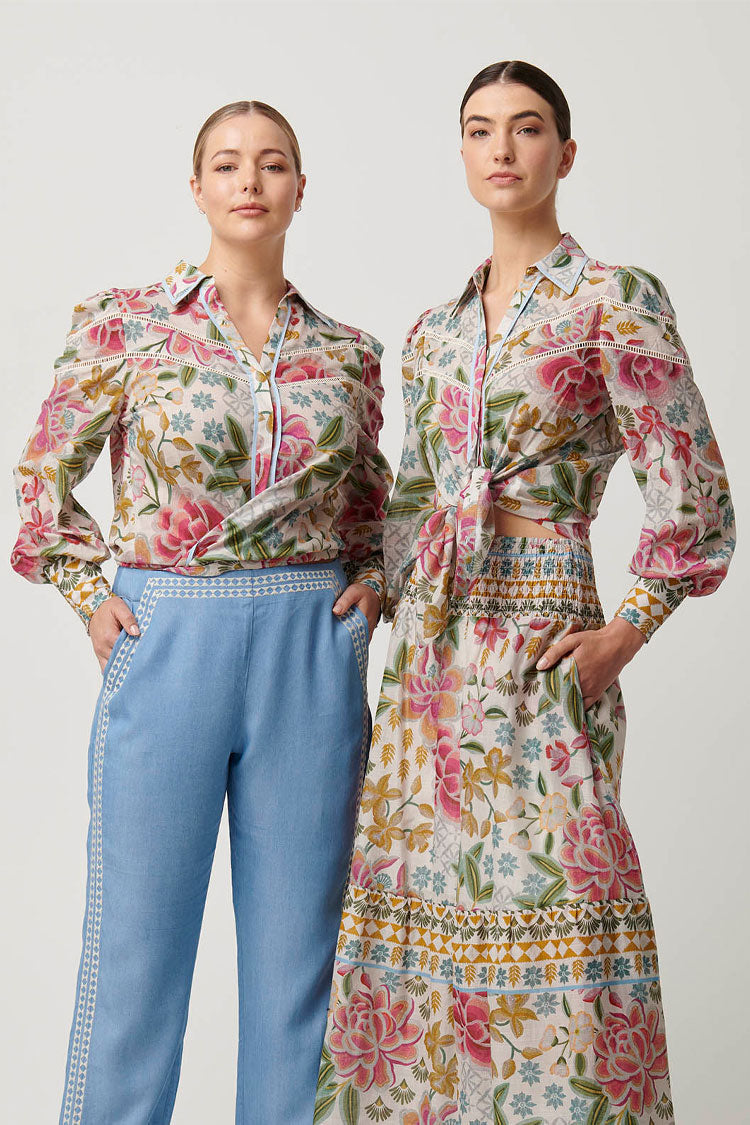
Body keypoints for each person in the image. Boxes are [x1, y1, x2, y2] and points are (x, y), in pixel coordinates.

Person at [315, 61, 735, 1124]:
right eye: (480, 129)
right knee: (424, 929)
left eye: (528, 127)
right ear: (461, 153)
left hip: (545, 632)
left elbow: (693, 492)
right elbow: (414, 495)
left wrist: (624, 634)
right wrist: (377, 585)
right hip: (429, 656)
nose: (501, 148)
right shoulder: (433, 331)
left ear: (566, 152)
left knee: (564, 915)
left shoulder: (615, 299)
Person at [11, 99, 392, 1124]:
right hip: (167, 636)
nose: (249, 181)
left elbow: (373, 500)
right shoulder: (125, 325)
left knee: (303, 968)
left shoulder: (349, 353)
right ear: (196, 187)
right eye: (227, 164)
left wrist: (374, 582)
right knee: (136, 955)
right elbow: (43, 475)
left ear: (301, 188)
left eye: (272, 163)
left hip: (310, 651)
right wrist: (88, 590)